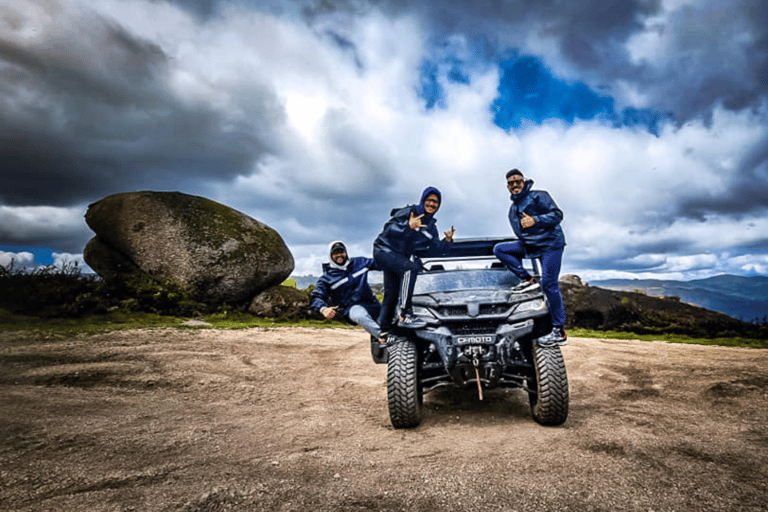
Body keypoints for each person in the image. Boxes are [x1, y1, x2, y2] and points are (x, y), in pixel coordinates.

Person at [493, 169, 567, 346]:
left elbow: (558, 215)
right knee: (500, 249)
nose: (515, 185)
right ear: (508, 187)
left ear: (523, 182)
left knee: (549, 284)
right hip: (531, 245)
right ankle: (528, 279)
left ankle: (559, 331)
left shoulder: (539, 196)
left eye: (518, 181)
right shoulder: (513, 210)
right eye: (511, 183)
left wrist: (536, 220)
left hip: (550, 245)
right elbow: (521, 233)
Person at [373, 187, 455, 341]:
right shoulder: (409, 212)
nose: (431, 204)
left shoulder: (431, 228)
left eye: (435, 202)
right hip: (383, 249)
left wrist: (448, 241)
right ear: (423, 201)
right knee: (410, 269)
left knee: (391, 293)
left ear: (438, 205)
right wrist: (407, 226)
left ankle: (383, 331)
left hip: (398, 257)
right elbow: (388, 230)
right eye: (429, 200)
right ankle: (405, 314)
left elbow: (436, 249)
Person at [310, 241, 381, 339]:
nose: (339, 255)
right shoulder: (327, 278)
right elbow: (316, 296)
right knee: (360, 316)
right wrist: (323, 309)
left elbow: (381, 263)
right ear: (330, 256)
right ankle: (384, 337)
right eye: (335, 253)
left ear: (346, 252)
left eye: (341, 252)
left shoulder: (359, 262)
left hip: (372, 303)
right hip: (350, 309)